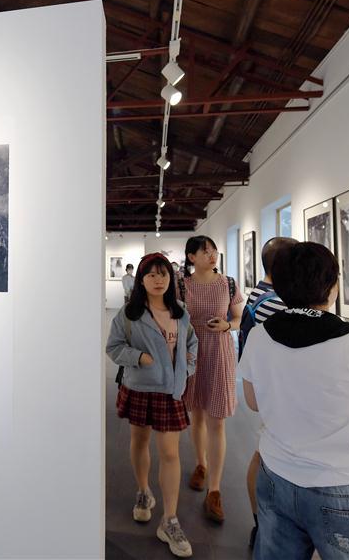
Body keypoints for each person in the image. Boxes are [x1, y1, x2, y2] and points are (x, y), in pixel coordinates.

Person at [240, 242, 349, 560]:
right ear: (332, 286)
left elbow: (253, 402)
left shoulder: (260, 336)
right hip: (345, 486)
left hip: (276, 475)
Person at [105, 252, 198, 558]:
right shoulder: (129, 314)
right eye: (152, 274)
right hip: (140, 387)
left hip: (170, 390)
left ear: (171, 278)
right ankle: (143, 491)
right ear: (141, 280)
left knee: (170, 453)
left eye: (164, 274)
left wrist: (188, 367)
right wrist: (139, 358)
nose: (159, 280)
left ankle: (169, 519)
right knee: (139, 440)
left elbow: (191, 343)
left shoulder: (180, 312)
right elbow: (113, 347)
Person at [178, 235, 243, 523]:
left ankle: (214, 489)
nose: (212, 255)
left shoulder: (228, 283)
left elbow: (239, 318)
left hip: (219, 351)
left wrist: (228, 325)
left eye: (213, 250)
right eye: (205, 251)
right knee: (197, 414)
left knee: (217, 419)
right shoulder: (182, 285)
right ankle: (200, 464)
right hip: (192, 352)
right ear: (191, 257)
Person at [242, 236, 297, 548]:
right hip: (279, 392)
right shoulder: (275, 302)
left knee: (265, 450)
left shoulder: (262, 293)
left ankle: (262, 523)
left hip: (270, 388)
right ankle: (264, 525)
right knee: (266, 454)